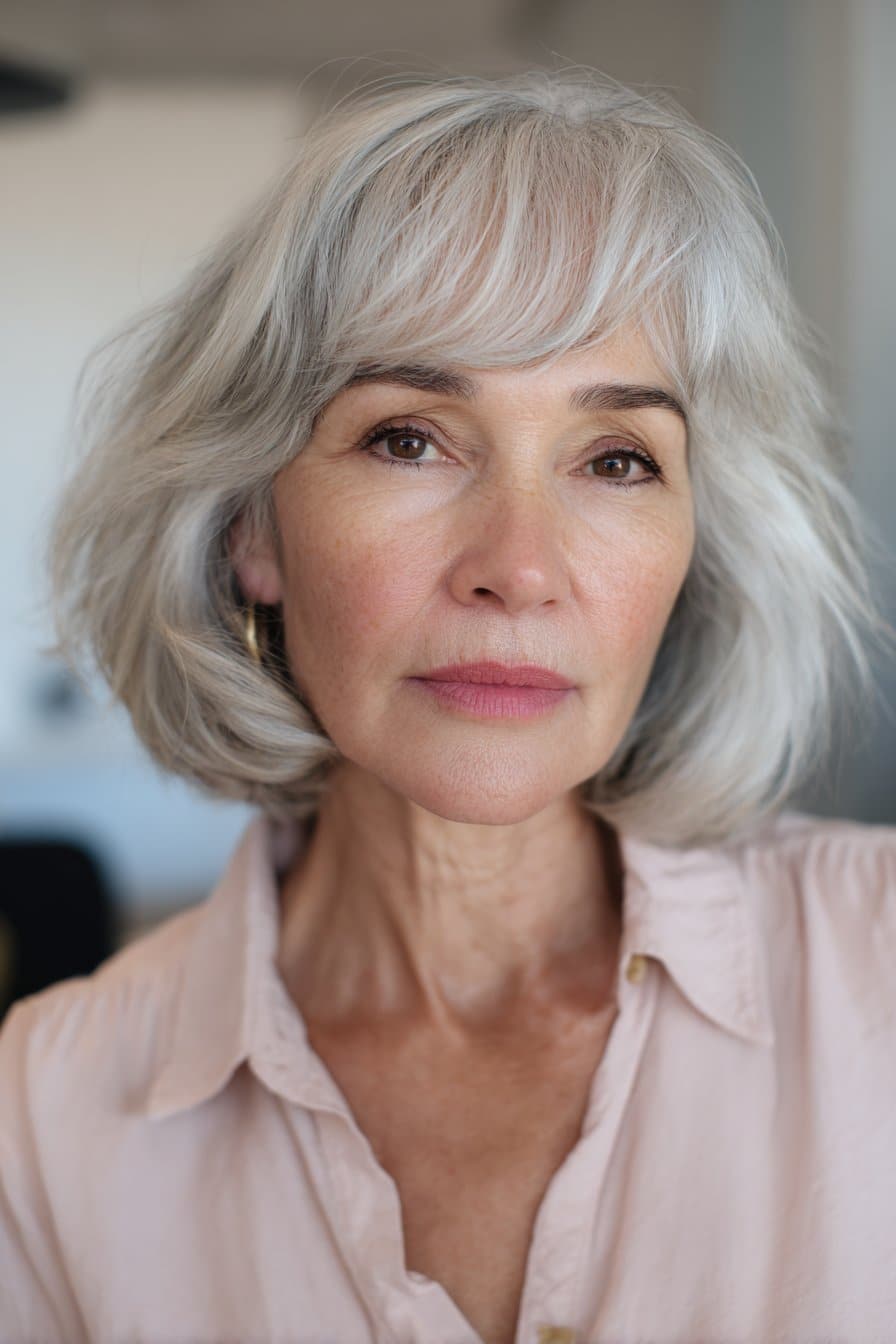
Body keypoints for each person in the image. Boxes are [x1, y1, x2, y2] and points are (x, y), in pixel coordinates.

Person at [1, 66, 895, 1344]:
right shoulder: (43, 1116)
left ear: (693, 544)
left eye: (613, 459)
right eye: (408, 437)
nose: (519, 568)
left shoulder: (878, 967)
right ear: (254, 528)